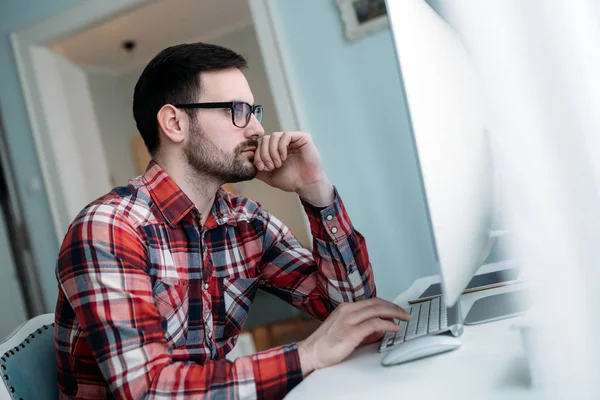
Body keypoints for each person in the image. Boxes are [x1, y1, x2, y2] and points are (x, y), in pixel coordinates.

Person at [54, 42, 409, 399]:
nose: (257, 129)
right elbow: (148, 391)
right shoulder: (110, 229)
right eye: (237, 110)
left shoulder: (245, 221)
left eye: (254, 110)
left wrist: (314, 189)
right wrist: (307, 354)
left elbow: (353, 311)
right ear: (175, 123)